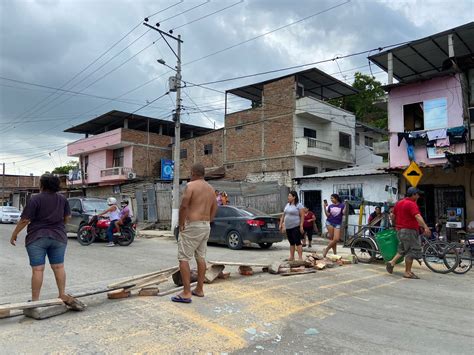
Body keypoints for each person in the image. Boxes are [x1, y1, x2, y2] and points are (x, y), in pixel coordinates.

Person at [9, 174, 84, 310]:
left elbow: (25, 220)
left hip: (37, 237)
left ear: (42, 185)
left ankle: (35, 301)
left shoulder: (35, 199)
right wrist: (60, 226)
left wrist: (14, 234)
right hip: (59, 237)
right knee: (59, 267)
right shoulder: (63, 199)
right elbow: (67, 217)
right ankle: (61, 294)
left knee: (38, 269)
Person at [172, 163, 217, 303]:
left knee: (184, 258)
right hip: (205, 225)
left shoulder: (190, 186)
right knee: (201, 257)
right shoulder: (210, 189)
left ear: (193, 172)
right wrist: (209, 220)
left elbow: (184, 205)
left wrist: (180, 224)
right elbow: (215, 207)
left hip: (192, 225)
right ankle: (199, 289)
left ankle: (186, 293)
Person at [386, 187, 431, 279]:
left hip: (400, 230)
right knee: (412, 251)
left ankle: (391, 262)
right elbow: (417, 216)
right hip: (409, 231)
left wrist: (395, 226)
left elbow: (393, 216)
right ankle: (407, 272)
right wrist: (425, 227)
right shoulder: (411, 204)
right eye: (417, 194)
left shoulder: (399, 203)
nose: (418, 196)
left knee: (402, 249)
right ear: (413, 194)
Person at [279, 191, 304, 261]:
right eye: (288, 196)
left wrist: (301, 226)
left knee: (297, 242)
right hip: (288, 227)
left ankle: (300, 258)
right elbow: (283, 215)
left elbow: (302, 216)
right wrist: (281, 224)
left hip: (296, 226)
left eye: (290, 196)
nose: (288, 197)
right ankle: (291, 257)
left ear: (294, 197)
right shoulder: (287, 205)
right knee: (291, 242)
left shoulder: (299, 205)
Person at [322, 194, 345, 258]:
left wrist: (346, 206)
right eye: (331, 198)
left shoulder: (342, 205)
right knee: (332, 239)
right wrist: (324, 207)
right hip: (329, 223)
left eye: (332, 198)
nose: (331, 200)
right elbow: (328, 215)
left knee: (336, 239)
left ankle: (326, 249)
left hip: (337, 224)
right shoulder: (330, 206)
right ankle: (335, 254)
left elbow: (344, 213)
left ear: (336, 198)